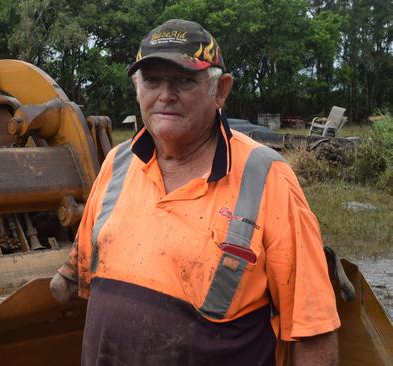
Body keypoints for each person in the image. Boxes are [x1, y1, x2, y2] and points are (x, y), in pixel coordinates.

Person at [50, 19, 340, 365]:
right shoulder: (117, 163)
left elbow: (313, 329)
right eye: (152, 80)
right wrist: (65, 276)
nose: (166, 95)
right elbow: (88, 261)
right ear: (136, 87)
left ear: (221, 91)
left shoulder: (266, 178)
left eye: (185, 80)